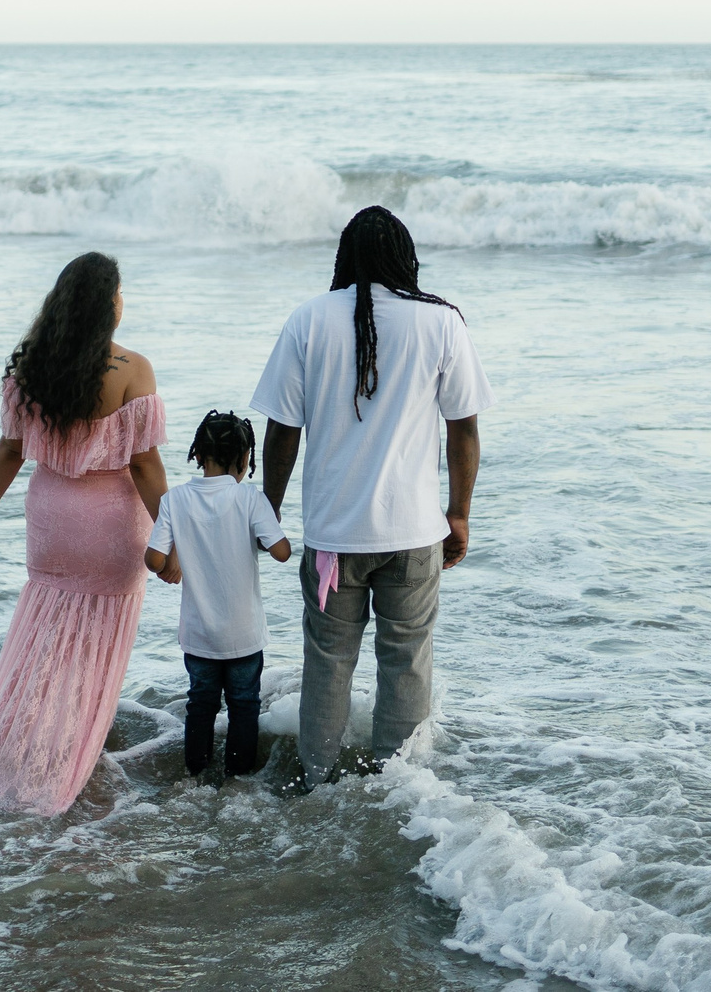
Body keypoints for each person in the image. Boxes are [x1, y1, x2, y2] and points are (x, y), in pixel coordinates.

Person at [0, 252, 169, 814]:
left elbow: (10, 450)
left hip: (51, 522)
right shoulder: (133, 370)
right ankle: (71, 754)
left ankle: (25, 749)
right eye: (119, 293)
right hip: (111, 526)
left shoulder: (30, 369)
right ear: (110, 305)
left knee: (45, 640)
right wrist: (173, 535)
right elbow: (145, 466)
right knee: (95, 647)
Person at [253, 206, 491, 786]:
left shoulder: (308, 320)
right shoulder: (441, 322)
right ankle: (399, 787)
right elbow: (464, 427)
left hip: (334, 538)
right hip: (414, 533)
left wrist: (269, 510)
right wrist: (459, 514)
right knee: (406, 661)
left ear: (345, 258)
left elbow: (283, 430)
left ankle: (317, 782)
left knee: (328, 663)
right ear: (406, 259)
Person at [143, 410, 291, 779]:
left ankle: (196, 774)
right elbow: (281, 552)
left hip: (199, 635)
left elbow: (154, 559)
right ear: (245, 458)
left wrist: (170, 559)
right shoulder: (249, 499)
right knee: (244, 704)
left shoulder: (175, 500)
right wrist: (268, 521)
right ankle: (238, 775)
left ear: (197, 455)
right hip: (244, 634)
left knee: (201, 703)